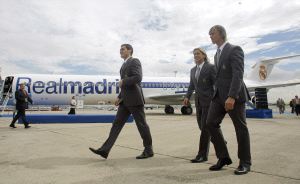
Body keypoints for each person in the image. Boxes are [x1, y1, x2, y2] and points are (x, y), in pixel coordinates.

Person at [89, 44, 153, 159]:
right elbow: (124, 85)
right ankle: (105, 150)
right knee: (116, 125)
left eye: (123, 49)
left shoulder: (134, 61)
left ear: (130, 50)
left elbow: (138, 77)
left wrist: (124, 81)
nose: (120, 51)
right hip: (124, 101)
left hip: (135, 99)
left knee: (141, 125)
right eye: (120, 49)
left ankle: (149, 150)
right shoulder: (123, 65)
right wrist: (119, 97)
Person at [206, 25, 251, 175]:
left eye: (212, 33)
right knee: (210, 123)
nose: (210, 36)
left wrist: (232, 96)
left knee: (240, 128)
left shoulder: (234, 49)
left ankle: (245, 162)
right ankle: (223, 157)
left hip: (234, 96)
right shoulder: (217, 54)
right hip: (218, 96)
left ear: (221, 34)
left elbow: (238, 74)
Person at [183, 48, 216, 163]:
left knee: (205, 128)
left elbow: (216, 84)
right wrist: (187, 96)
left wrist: (216, 99)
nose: (195, 56)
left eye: (198, 53)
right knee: (201, 126)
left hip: (209, 101)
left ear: (204, 55)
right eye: (194, 54)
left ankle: (202, 155)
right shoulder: (193, 70)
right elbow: (192, 85)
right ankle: (219, 141)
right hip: (198, 101)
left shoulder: (211, 67)